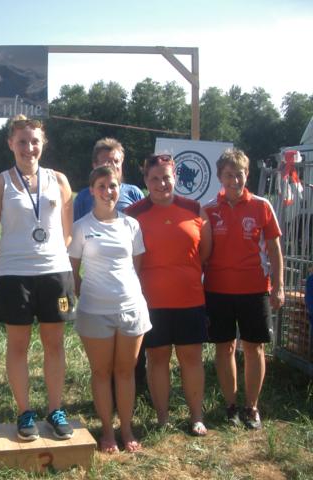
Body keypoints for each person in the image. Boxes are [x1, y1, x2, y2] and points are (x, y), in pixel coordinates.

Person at [0, 115, 76, 442]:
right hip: (15, 276)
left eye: (35, 141)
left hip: (55, 273)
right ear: (11, 143)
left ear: (43, 143)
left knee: (54, 344)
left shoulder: (59, 180)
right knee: (18, 345)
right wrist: (10, 264)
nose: (29, 148)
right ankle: (25, 413)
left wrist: (51, 258)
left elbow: (67, 231)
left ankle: (55, 410)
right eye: (22, 141)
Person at [125, 153, 212, 436]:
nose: (161, 184)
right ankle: (162, 418)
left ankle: (196, 416)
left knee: (191, 358)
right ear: (145, 181)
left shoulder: (194, 209)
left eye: (166, 177)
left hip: (190, 299)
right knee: (157, 358)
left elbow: (205, 252)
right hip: (151, 303)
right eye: (154, 179)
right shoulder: (133, 214)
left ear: (175, 177)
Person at [69, 165, 151, 453]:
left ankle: (126, 430)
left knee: (126, 372)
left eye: (113, 185)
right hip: (94, 312)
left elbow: (136, 267)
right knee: (101, 373)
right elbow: (72, 272)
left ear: (120, 188)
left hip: (131, 309)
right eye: (101, 186)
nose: (108, 191)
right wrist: (91, 296)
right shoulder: (81, 227)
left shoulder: (132, 226)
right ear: (92, 190)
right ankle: (107, 432)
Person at [203, 148, 284, 429]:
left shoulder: (262, 206)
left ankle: (252, 407)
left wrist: (279, 287)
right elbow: (201, 252)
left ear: (247, 175)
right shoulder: (208, 209)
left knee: (254, 348)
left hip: (255, 289)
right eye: (229, 175)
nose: (234, 180)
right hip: (218, 291)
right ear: (219, 177)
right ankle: (231, 406)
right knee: (224, 348)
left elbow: (274, 250)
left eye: (239, 174)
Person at [73, 137, 144, 221]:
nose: (113, 165)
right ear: (95, 165)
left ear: (122, 162)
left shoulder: (133, 193)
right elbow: (74, 226)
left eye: (116, 161)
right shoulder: (83, 198)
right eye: (107, 162)